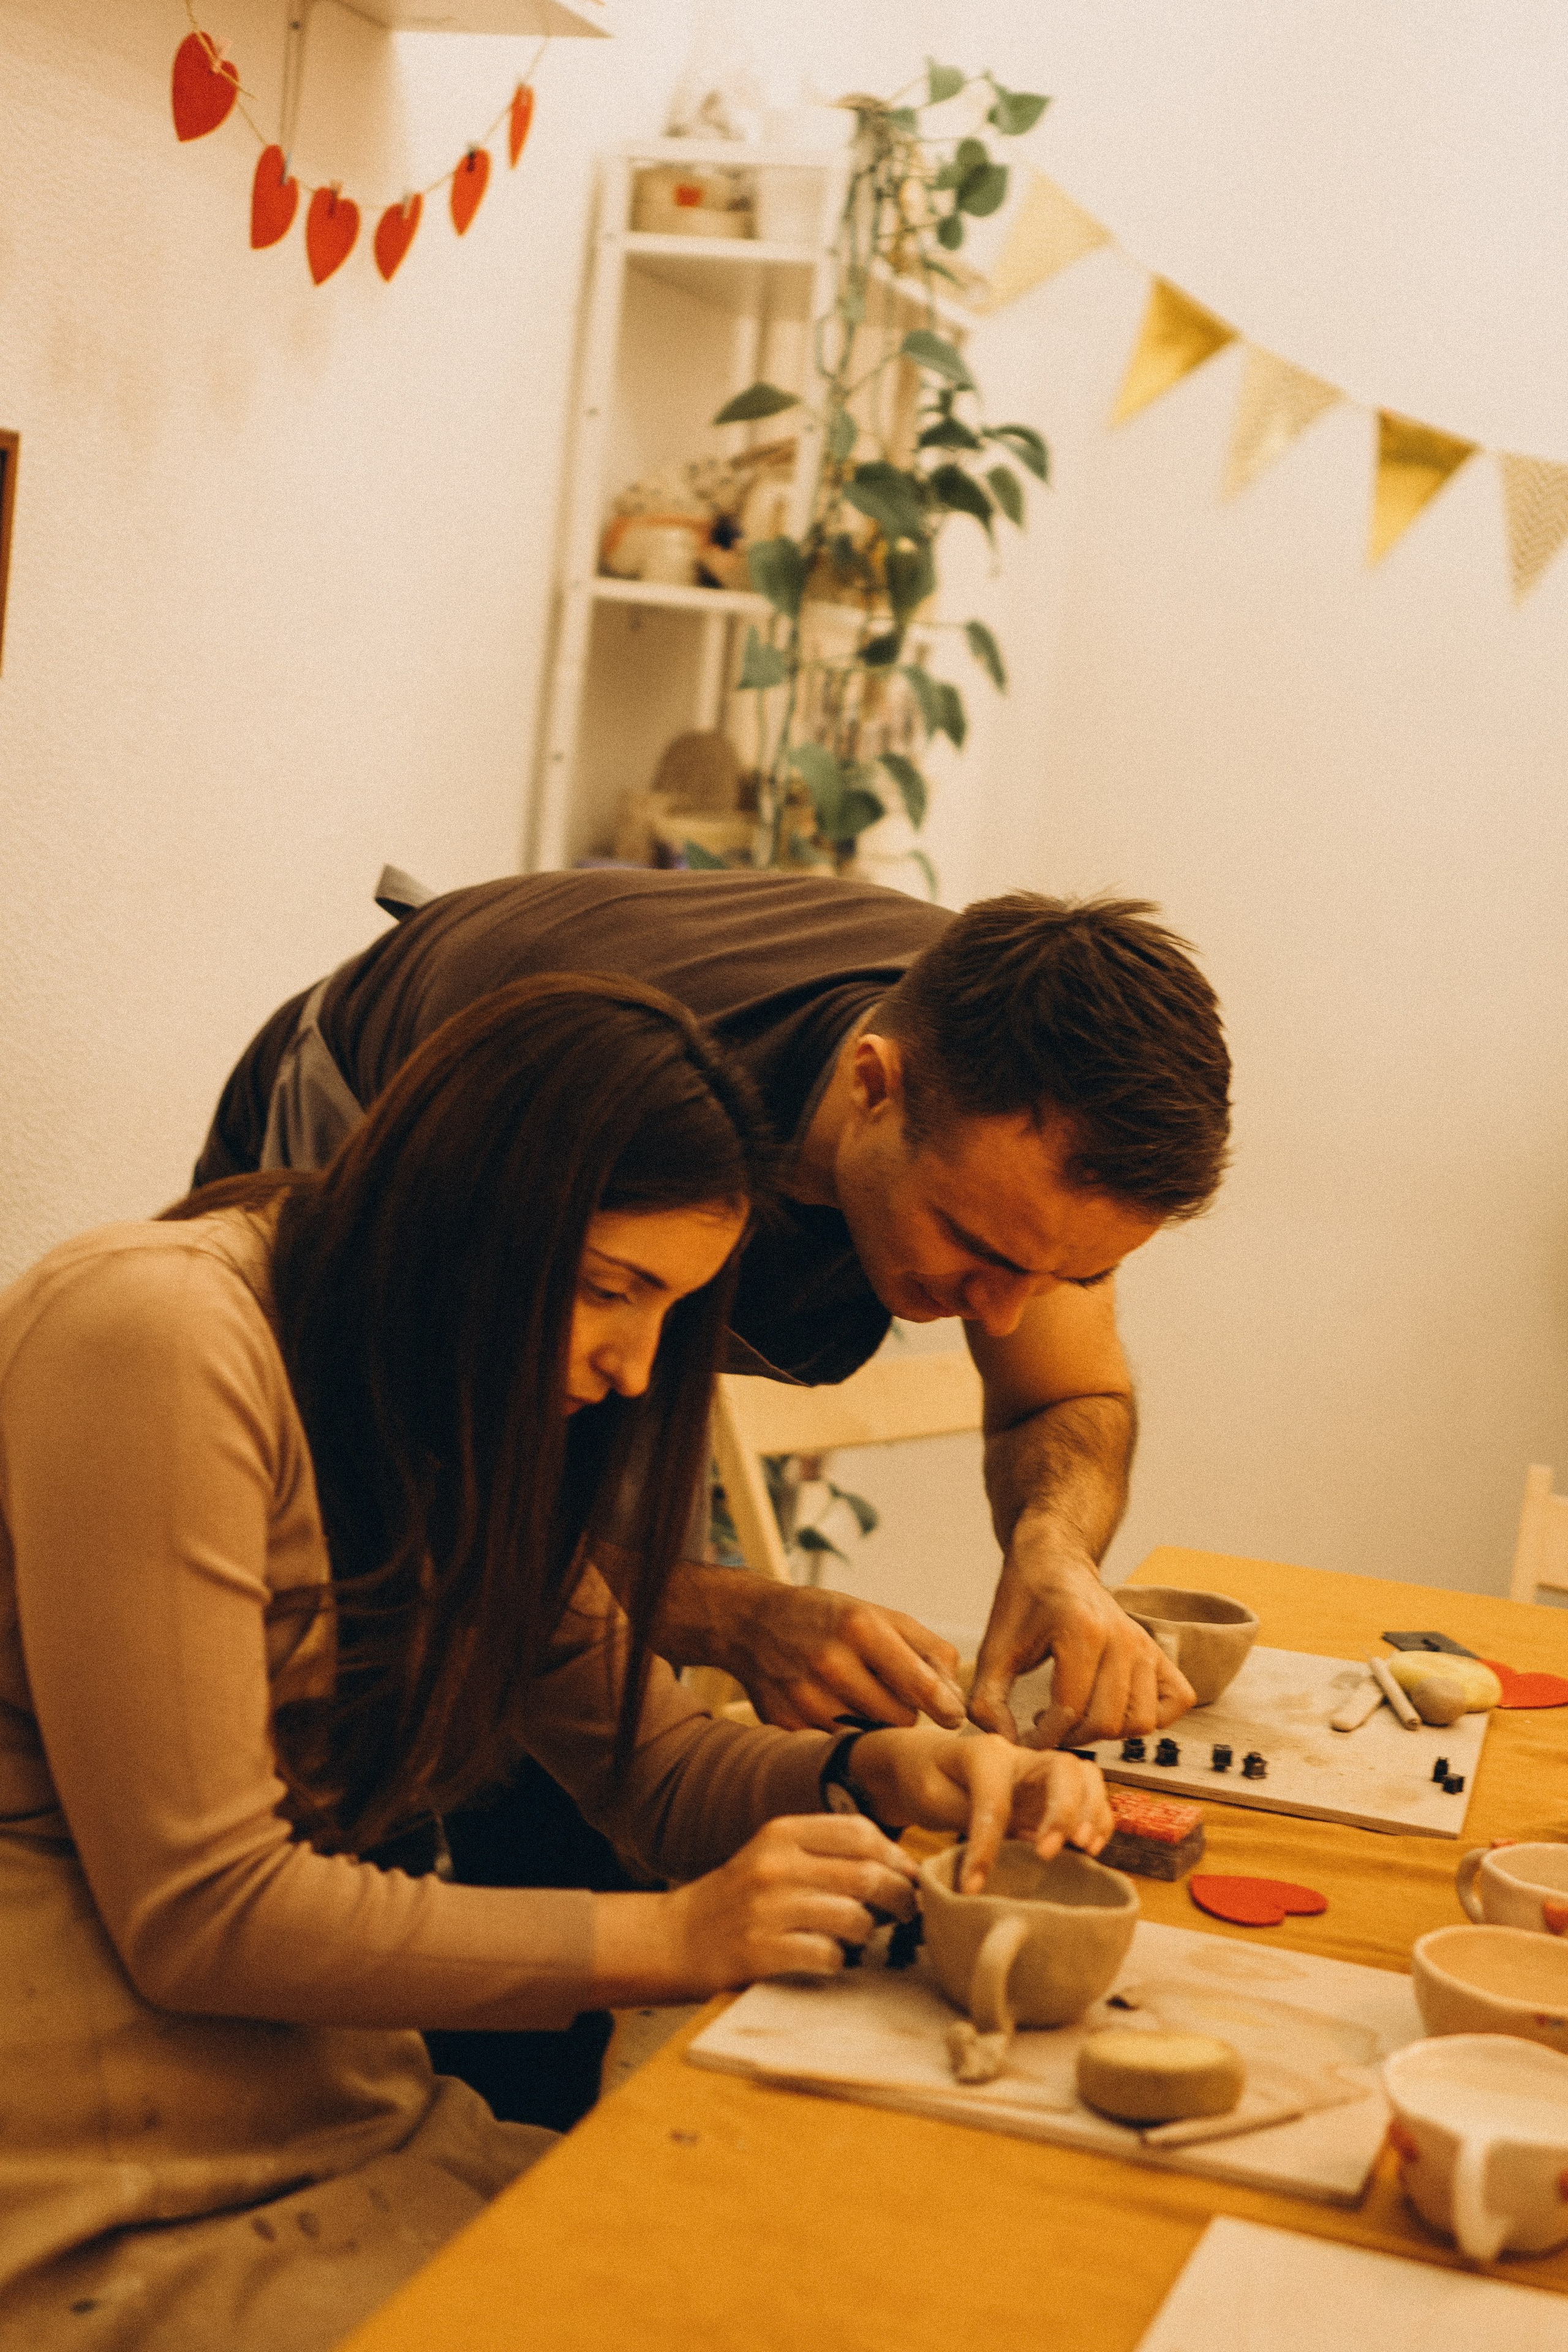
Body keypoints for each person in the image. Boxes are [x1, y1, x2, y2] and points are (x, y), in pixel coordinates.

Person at [0, 974, 1110, 2351]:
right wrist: (668, 1938)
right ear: (467, 1220)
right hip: (85, 2173)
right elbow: (204, 1913)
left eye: (668, 1310)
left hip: (334, 2113)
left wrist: (880, 1769)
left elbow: (654, 1766)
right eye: (608, 1290)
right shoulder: (157, 1334)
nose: (635, 1368)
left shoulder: (448, 1389)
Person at [198, 870, 1232, 1749]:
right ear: (876, 1084)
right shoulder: (612, 1112)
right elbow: (393, 1486)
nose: (1003, 1320)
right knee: (376, 1667)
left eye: (1066, 1277)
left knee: (617, 1731)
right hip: (381, 1107)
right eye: (978, 1251)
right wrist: (726, 1618)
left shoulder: (1009, 1110)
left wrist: (1054, 1544)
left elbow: (1067, 1393)